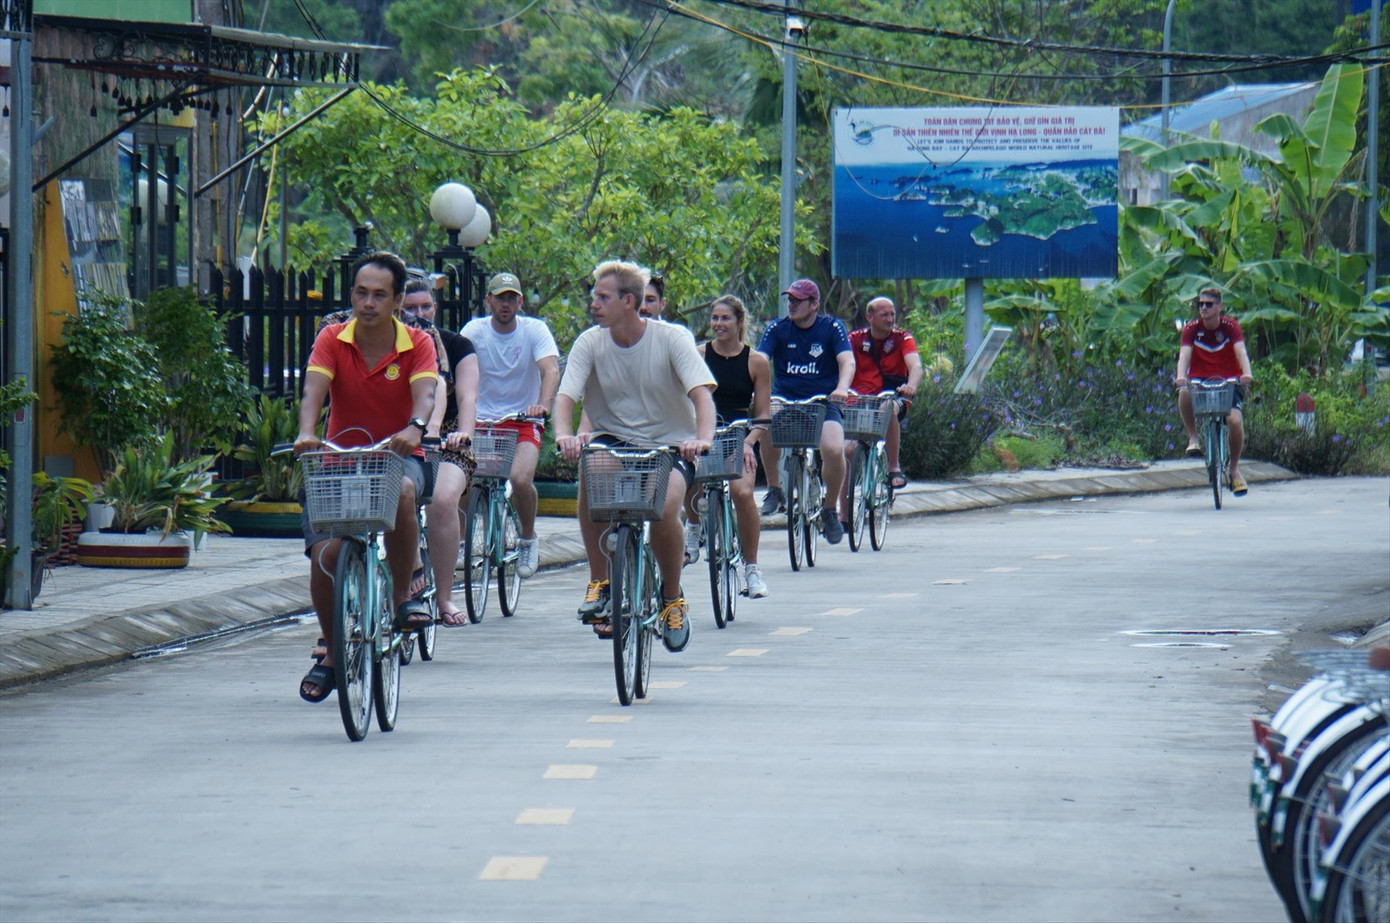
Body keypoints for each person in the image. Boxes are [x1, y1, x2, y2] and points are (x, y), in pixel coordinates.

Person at [294, 251, 438, 703]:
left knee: (405, 491)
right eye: (361, 293)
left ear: (397, 300)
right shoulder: (333, 339)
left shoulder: (417, 343)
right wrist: (306, 434)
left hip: (397, 455)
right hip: (338, 458)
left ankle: (401, 599)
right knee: (326, 557)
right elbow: (313, 390)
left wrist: (414, 428)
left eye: (380, 295)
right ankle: (333, 656)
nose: (369, 302)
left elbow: (426, 394)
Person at [553, 260, 715, 652]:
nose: (594, 304)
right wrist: (564, 434)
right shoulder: (590, 342)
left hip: (672, 443)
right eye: (594, 297)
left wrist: (702, 439)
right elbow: (565, 397)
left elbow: (701, 396)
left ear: (629, 301)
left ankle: (671, 598)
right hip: (615, 438)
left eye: (602, 297)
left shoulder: (671, 338)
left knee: (663, 508)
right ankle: (601, 582)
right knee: (593, 473)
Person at [461, 272, 560, 578]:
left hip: (521, 420)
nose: (505, 304)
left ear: (519, 301)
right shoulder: (474, 330)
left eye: (511, 298)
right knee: (462, 477)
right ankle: (462, 542)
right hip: (480, 420)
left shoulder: (534, 330)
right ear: (488, 300)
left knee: (519, 479)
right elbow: (458, 367)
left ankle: (528, 538)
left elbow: (550, 370)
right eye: (499, 298)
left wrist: (541, 405)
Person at [755, 278, 855, 545]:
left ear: (814, 304)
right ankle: (775, 489)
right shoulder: (777, 328)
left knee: (834, 450)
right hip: (784, 398)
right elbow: (760, 359)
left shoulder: (832, 328)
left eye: (798, 300)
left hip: (823, 400)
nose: (792, 304)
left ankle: (830, 509)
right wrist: (753, 387)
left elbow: (847, 361)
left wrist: (842, 388)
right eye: (790, 299)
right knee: (764, 419)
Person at [403, 279, 479, 626]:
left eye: (426, 307)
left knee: (443, 499)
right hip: (397, 437)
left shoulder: (455, 344)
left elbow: (464, 396)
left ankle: (445, 596)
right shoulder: (388, 343)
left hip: (445, 438)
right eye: (410, 308)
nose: (419, 315)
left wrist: (459, 431)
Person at [686, 294, 773, 598]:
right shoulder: (698, 354)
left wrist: (749, 443)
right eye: (715, 318)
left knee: (743, 492)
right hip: (702, 432)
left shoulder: (756, 361)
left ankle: (751, 568)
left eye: (725, 318)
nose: (719, 324)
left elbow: (762, 416)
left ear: (739, 323)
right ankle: (694, 528)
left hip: (738, 433)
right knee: (686, 474)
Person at [1175, 286, 1254, 495]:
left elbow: (1241, 351)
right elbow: (1184, 356)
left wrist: (1246, 373)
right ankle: (1193, 438)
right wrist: (1181, 376)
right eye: (1200, 304)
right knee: (1184, 393)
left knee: (1235, 421)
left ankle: (1234, 470)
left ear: (1219, 306)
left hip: (1229, 381)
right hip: (1200, 380)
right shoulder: (1191, 329)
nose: (1203, 308)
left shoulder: (1230, 327)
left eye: (1208, 304)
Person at [844, 296, 922, 504]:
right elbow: (844, 364)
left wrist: (911, 386)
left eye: (892, 314)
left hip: (892, 395)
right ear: (869, 317)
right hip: (858, 398)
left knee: (888, 408)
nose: (890, 319)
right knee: (847, 451)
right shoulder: (855, 339)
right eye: (884, 314)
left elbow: (915, 366)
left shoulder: (902, 339)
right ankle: (842, 513)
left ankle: (893, 467)